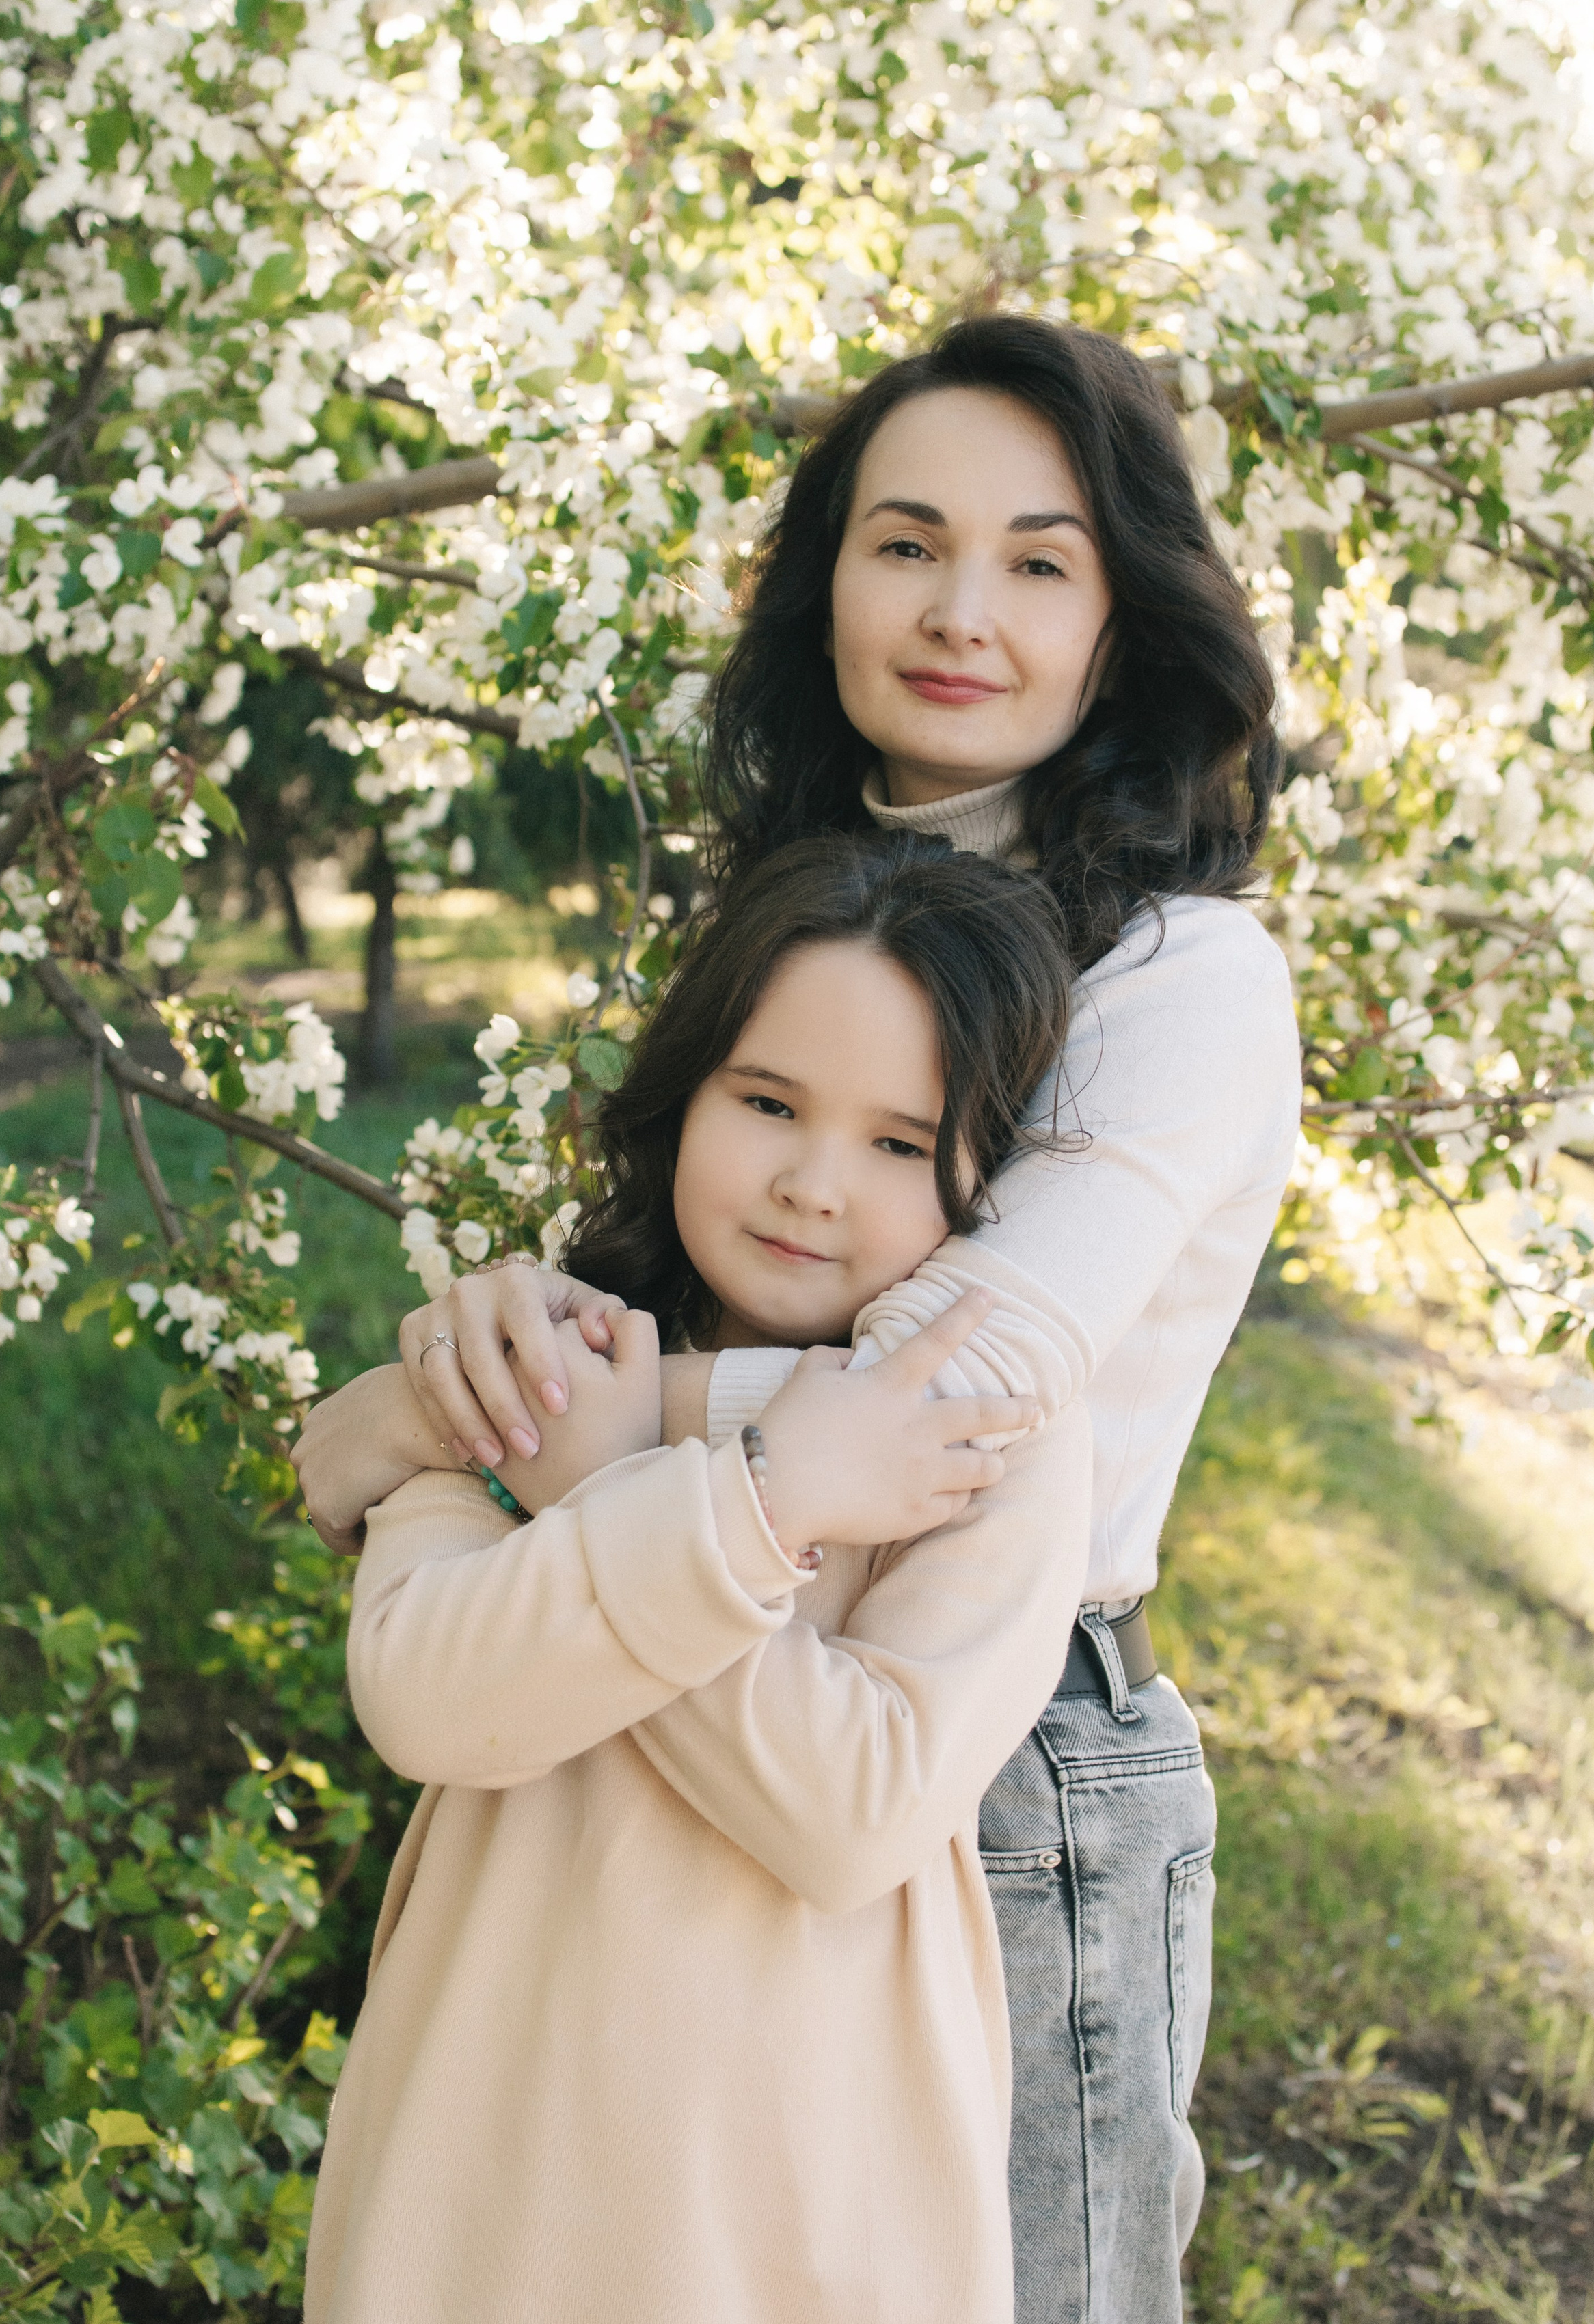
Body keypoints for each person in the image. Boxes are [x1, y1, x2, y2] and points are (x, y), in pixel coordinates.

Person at [301, 313, 1301, 2323]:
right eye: (903, 540)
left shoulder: (1180, 971)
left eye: (1041, 560)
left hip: (984, 1741)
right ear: (823, 578)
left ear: (1128, 617)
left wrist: (520, 1415)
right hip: (658, 1651)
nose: (961, 612)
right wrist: (477, 1401)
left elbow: (961, 1387)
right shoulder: (808, 902)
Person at [302, 836, 1095, 2324]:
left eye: (896, 1141)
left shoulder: (985, 1439)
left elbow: (855, 1807)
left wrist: (607, 1481)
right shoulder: (531, 1345)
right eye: (768, 1104)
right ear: (683, 1097)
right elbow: (425, 1695)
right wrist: (757, 1499)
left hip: (802, 2176)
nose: (810, 1185)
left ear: (985, 1170)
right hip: (488, 2148)